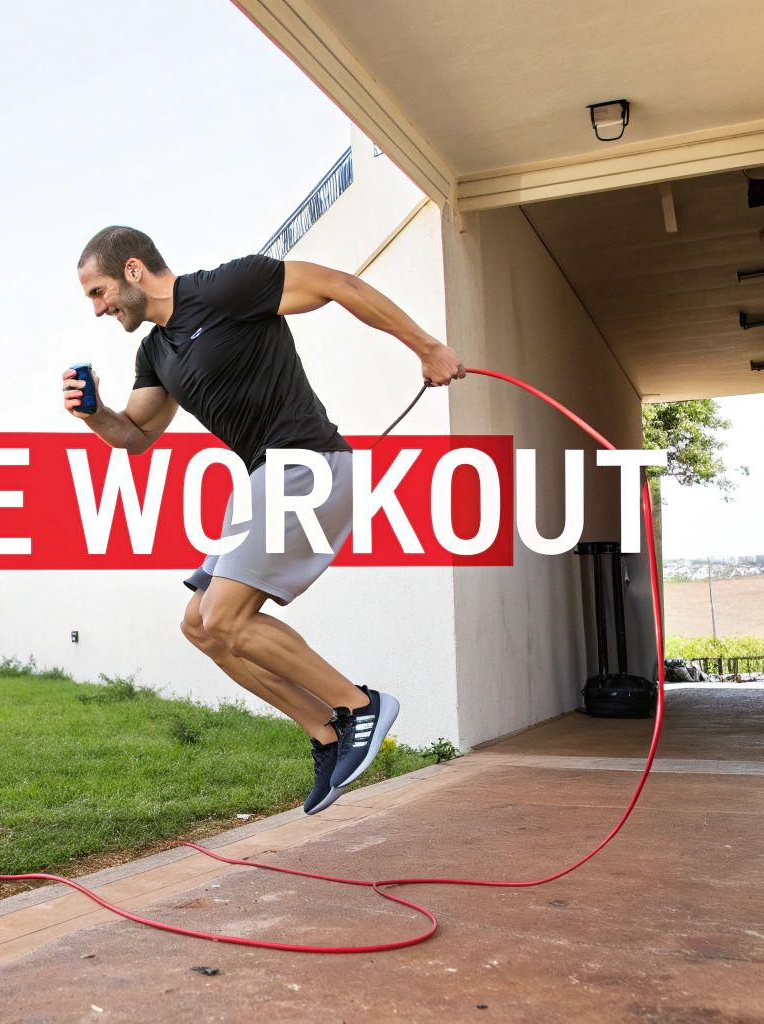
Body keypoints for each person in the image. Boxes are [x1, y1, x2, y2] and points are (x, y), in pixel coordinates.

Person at [62, 225, 464, 814]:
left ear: (132, 270)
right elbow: (138, 434)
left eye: (98, 293)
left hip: (306, 461)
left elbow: (337, 285)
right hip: (261, 478)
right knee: (200, 625)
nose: (98, 310)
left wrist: (427, 347)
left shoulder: (227, 288)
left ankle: (360, 706)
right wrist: (95, 413)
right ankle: (325, 732)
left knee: (224, 616)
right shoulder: (155, 352)